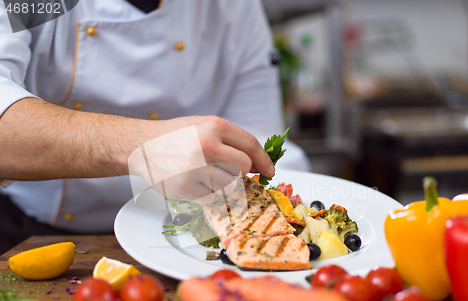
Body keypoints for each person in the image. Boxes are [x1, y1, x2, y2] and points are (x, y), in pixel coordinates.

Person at [0, 0, 310, 254]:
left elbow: (255, 142)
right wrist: (142, 147)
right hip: (34, 236)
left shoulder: (232, 8)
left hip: (186, 242)